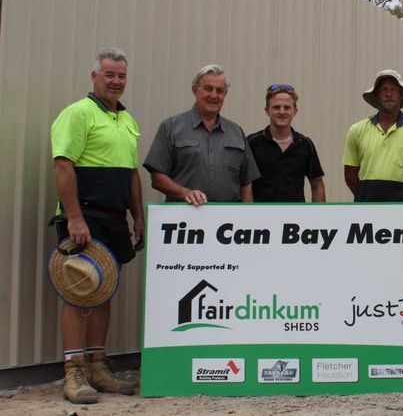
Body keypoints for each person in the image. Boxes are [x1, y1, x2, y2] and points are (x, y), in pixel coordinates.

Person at [50, 47, 142, 403]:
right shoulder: (77, 114)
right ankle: (73, 372)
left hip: (115, 218)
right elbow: (62, 165)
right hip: (84, 218)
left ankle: (98, 367)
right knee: (76, 293)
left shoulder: (128, 120)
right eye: (109, 75)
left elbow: (132, 173)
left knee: (103, 291)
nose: (116, 81)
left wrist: (138, 217)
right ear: (94, 77)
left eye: (121, 75)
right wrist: (74, 217)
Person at [144, 65, 259, 204]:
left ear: (225, 94)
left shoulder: (236, 132)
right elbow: (157, 178)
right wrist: (184, 193)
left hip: (228, 221)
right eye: (208, 89)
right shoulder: (171, 127)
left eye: (220, 91)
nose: (214, 95)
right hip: (185, 220)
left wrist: (246, 216)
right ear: (195, 90)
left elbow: (246, 183)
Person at [343, 69, 403, 201]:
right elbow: (349, 175)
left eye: (394, 89)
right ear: (376, 95)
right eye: (383, 90)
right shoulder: (357, 130)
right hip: (366, 213)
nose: (388, 94)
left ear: (402, 95)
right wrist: (365, 198)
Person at [247, 84, 325, 202]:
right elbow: (245, 184)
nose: (282, 111)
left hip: (296, 218)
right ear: (267, 110)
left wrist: (318, 216)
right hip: (260, 218)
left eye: (287, 107)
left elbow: (317, 185)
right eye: (276, 107)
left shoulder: (305, 144)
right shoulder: (252, 143)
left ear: (295, 111)